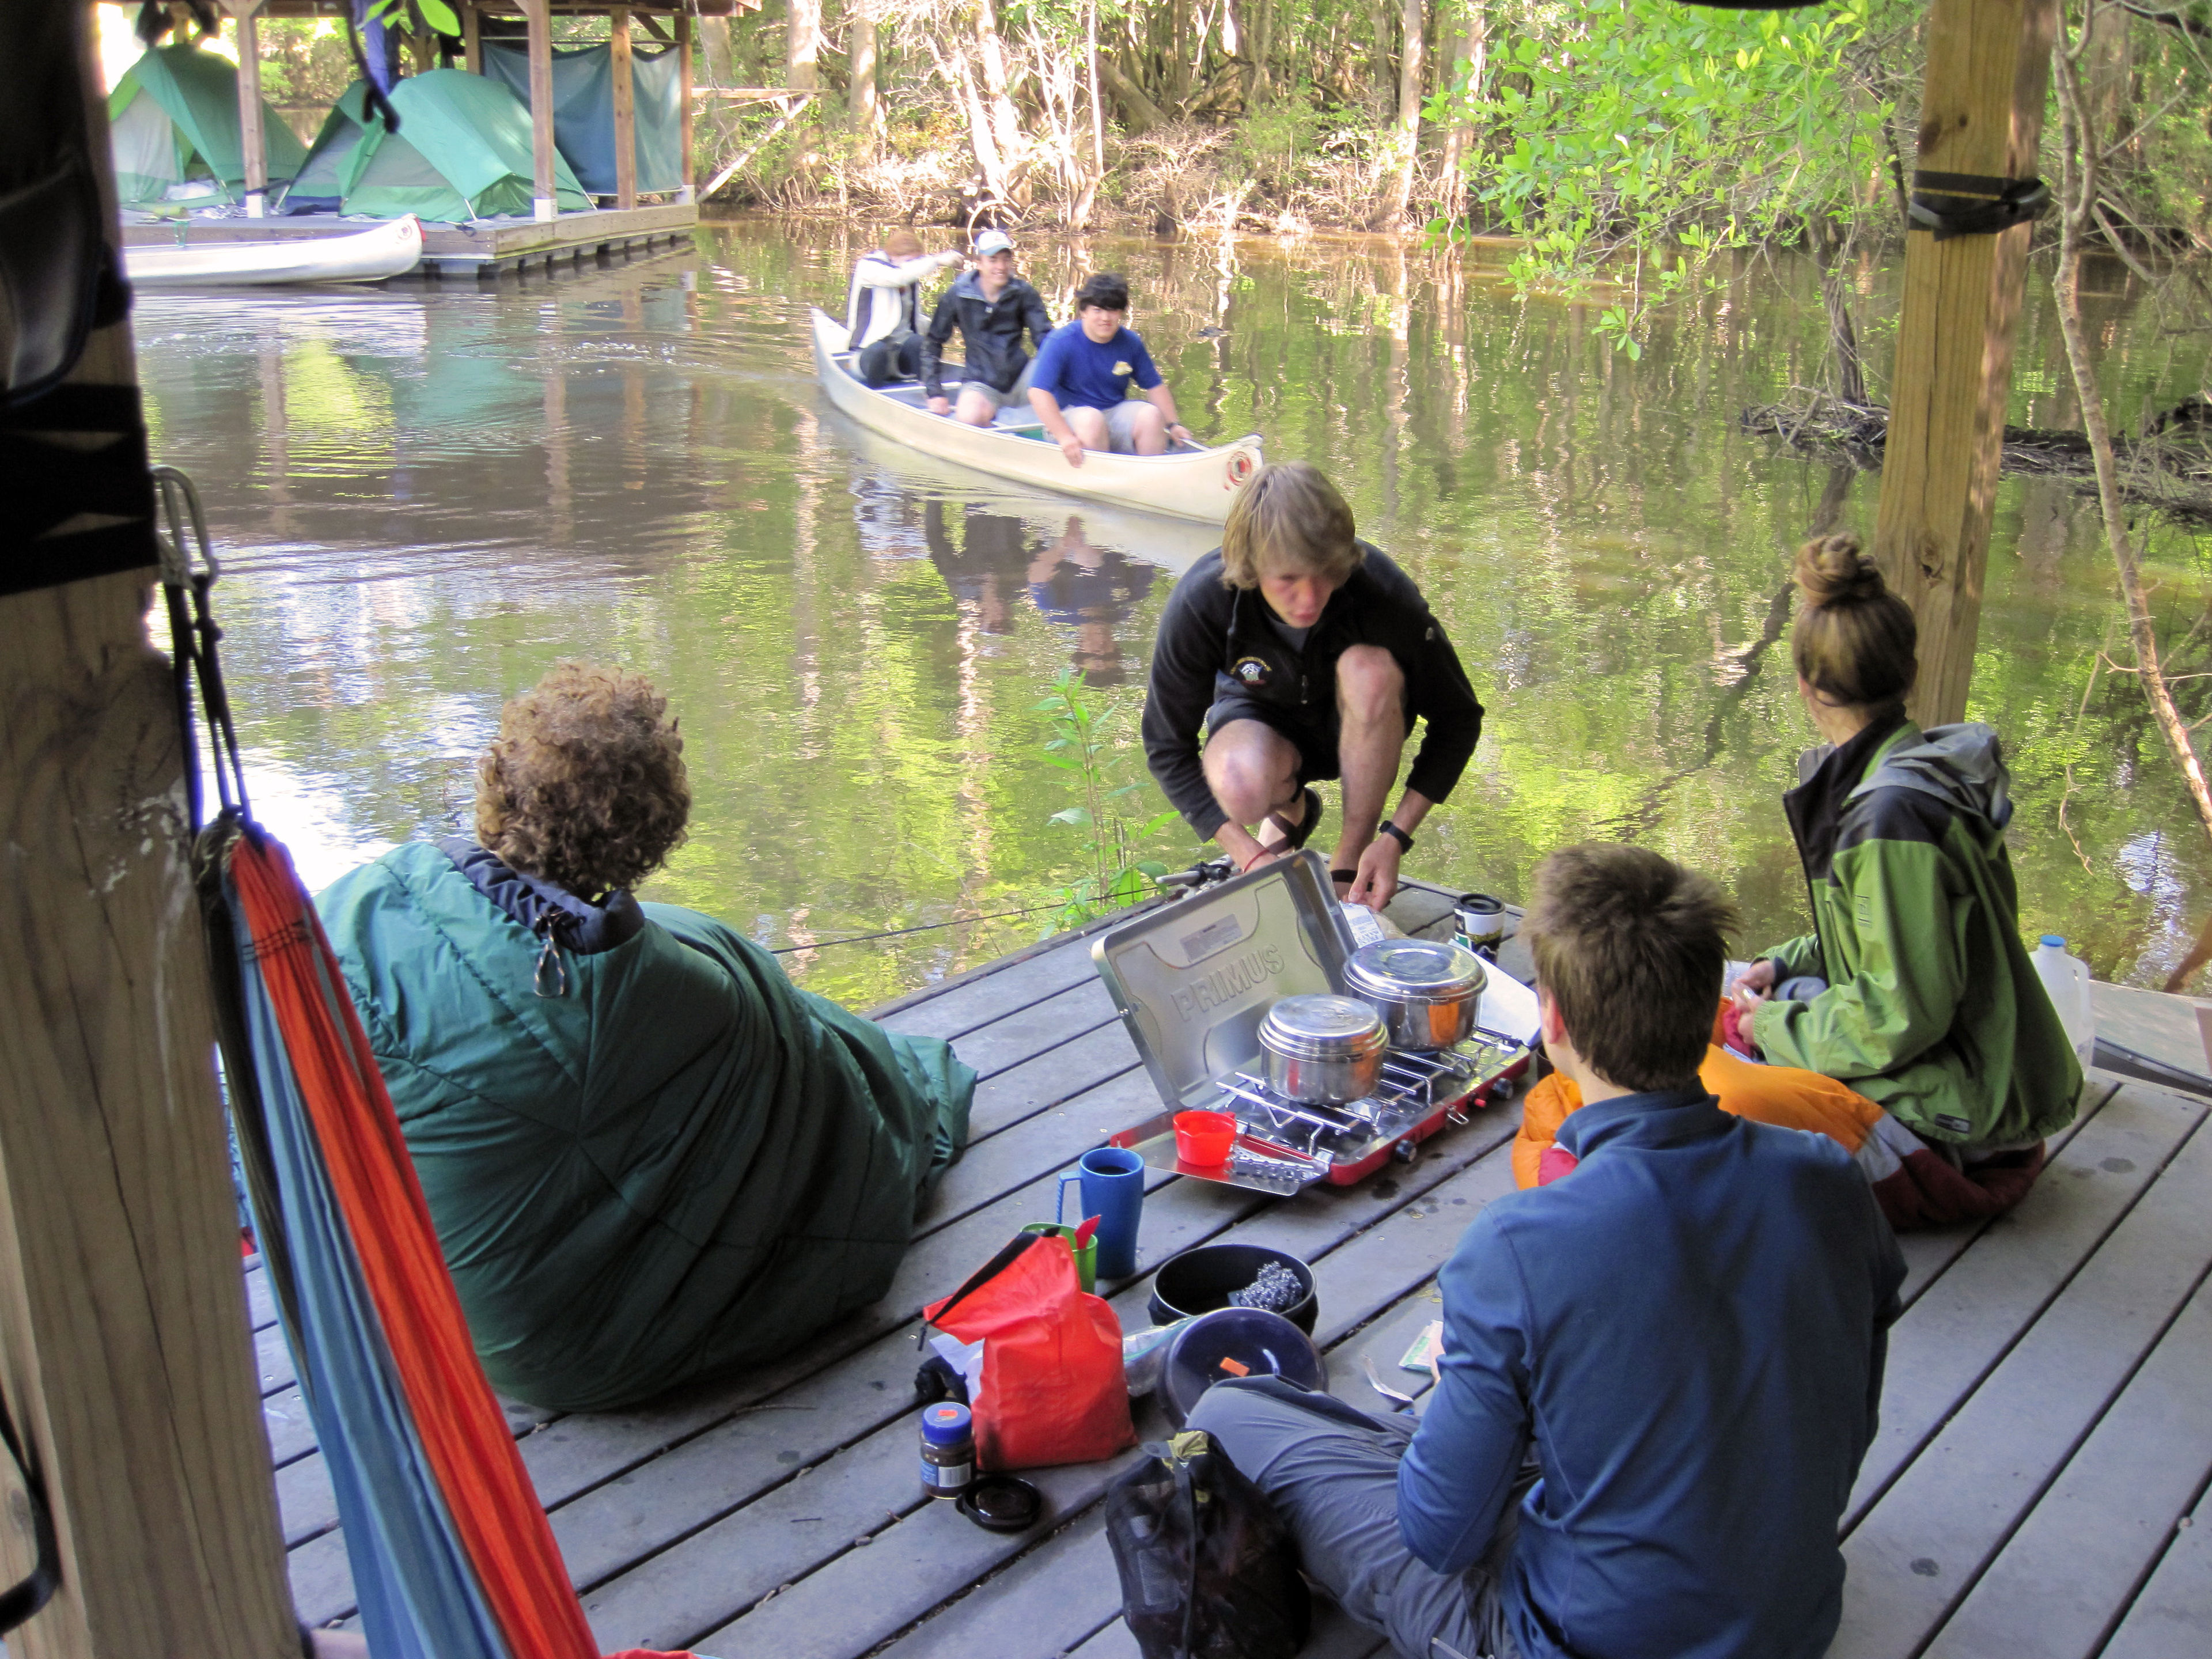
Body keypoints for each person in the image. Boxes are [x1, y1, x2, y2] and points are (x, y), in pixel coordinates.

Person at [1190, 842, 1906, 1659]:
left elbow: (1438, 1537)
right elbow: (1851, 1412)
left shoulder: (1522, 1246)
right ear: (1709, 1009)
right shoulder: (1826, 1178)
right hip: (1791, 1624)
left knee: (1228, 1414)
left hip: (1566, 1639)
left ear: (1553, 1018)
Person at [315, 662, 975, 1413]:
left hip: (358, 1283)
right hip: (528, 1347)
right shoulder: (682, 996)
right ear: (653, 834)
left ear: (499, 781)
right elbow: (818, 1095)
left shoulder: (359, 897)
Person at [1726, 534, 2081, 1226]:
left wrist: (1770, 1024)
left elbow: (1898, 1017)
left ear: (1804, 684)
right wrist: (1784, 964)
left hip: (1972, 1109)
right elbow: (1883, 944)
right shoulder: (1909, 772)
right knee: (1777, 1000)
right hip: (1964, 1061)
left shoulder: (1891, 819)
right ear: (1906, 672)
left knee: (1732, 1099)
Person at [1139, 460, 1483, 910]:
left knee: (1370, 670)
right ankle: (1289, 810)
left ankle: (1351, 855)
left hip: (1362, 725)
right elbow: (1166, 746)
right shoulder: (1203, 601)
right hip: (1261, 719)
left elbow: (1458, 719)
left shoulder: (1382, 592)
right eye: (1287, 579)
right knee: (1237, 782)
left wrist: (1395, 837)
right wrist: (1250, 857)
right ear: (1252, 566)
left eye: (1324, 574)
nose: (1309, 597)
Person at [1025, 271, 1191, 465]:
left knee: (1151, 415)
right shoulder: (1060, 342)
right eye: (1098, 310)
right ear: (1084, 312)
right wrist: (1064, 437)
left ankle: (1148, 480)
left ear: (1120, 313)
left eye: (1112, 311)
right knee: (1092, 420)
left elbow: (1155, 386)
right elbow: (1038, 392)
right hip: (1070, 418)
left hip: (1112, 413)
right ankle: (1097, 480)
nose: (1105, 318)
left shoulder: (1131, 342)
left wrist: (1173, 425)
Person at [920, 228, 1052, 427]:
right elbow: (933, 343)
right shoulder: (958, 294)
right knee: (969, 417)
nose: (1001, 266)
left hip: (1022, 377)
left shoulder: (1023, 293)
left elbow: (1045, 340)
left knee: (1060, 379)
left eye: (1006, 259)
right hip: (981, 383)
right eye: (993, 260)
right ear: (979, 263)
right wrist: (934, 392)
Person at [845, 229, 963, 387]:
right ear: (893, 256)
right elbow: (897, 276)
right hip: (868, 352)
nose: (914, 269)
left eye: (916, 263)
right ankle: (874, 394)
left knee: (924, 345)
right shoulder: (869, 266)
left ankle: (929, 393)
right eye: (910, 263)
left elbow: (912, 319)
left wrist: (943, 325)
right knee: (880, 353)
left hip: (900, 354)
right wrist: (937, 260)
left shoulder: (910, 279)